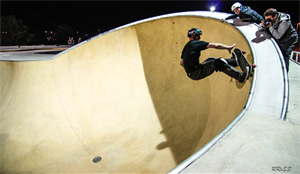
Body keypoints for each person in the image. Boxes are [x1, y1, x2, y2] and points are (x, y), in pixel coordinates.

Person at [180, 28, 249, 83]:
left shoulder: (186, 47)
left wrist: (190, 70)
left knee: (211, 59)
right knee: (218, 63)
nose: (199, 38)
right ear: (193, 35)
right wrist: (228, 47)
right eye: (198, 36)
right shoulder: (194, 43)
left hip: (192, 73)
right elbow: (216, 46)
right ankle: (241, 77)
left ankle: (233, 61)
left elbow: (181, 63)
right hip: (196, 72)